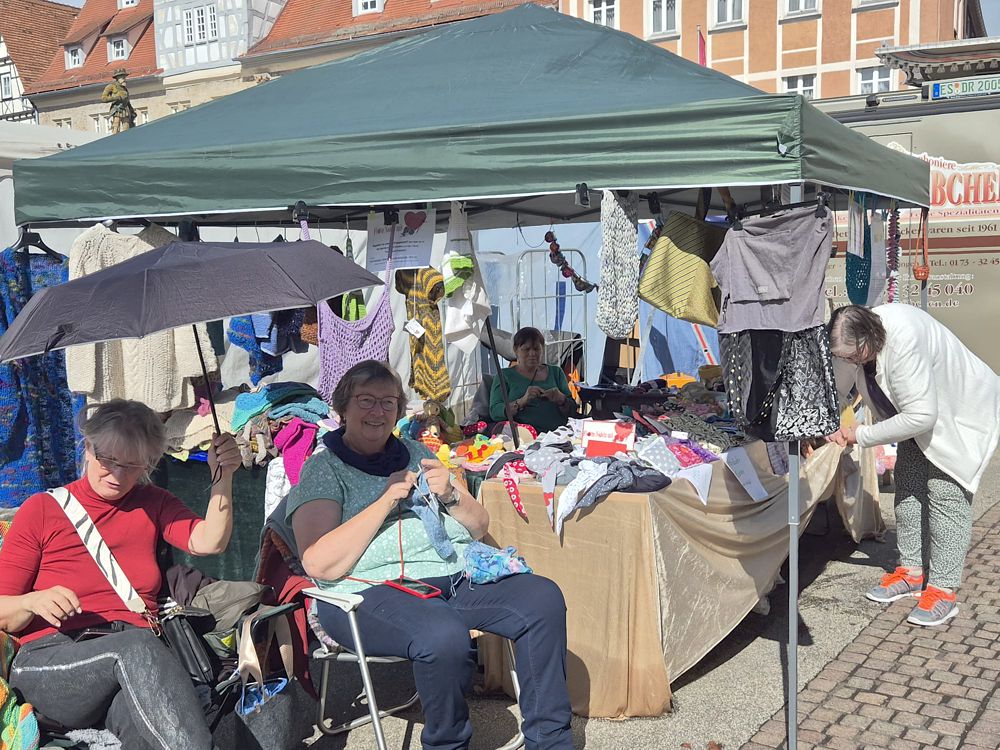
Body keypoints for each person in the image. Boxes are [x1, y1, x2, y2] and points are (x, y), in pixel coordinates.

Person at [286, 360, 573, 749]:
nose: (378, 412)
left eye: (389, 402)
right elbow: (318, 562)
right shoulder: (324, 468)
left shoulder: (416, 451)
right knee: (442, 634)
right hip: (366, 592)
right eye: (366, 400)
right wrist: (386, 500)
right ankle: (447, 743)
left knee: (542, 599)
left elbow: (479, 525)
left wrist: (452, 494)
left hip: (451, 576)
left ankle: (551, 741)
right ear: (343, 408)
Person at [0, 399, 242, 748]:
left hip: (134, 664)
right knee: (134, 648)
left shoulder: (153, 502)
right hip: (52, 661)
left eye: (130, 465)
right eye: (107, 460)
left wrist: (224, 477)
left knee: (148, 732)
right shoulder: (42, 510)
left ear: (149, 463)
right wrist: (34, 601)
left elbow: (210, 541)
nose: (116, 475)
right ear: (87, 448)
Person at [826, 304, 1000, 627]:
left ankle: (943, 590)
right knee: (907, 488)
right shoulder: (855, 344)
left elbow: (923, 415)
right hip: (912, 419)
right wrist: (827, 422)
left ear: (866, 339)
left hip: (956, 415)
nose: (849, 362)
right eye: (844, 357)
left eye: (852, 356)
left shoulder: (904, 338)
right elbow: (839, 388)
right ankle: (911, 570)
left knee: (944, 494)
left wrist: (859, 434)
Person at [489, 326, 575, 434]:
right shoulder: (505, 376)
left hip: (558, 435)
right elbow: (495, 411)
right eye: (526, 349)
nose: (532, 353)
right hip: (522, 438)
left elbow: (573, 409)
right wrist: (521, 402)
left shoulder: (556, 372)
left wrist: (561, 399)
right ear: (515, 350)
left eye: (536, 349)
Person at [101, 68, 136, 134]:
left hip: (125, 111)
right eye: (122, 78)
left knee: (127, 130)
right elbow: (103, 98)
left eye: (124, 77)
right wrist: (117, 97)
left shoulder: (124, 88)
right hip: (117, 110)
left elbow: (127, 101)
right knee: (115, 129)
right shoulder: (111, 86)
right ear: (117, 78)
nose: (124, 79)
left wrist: (132, 110)